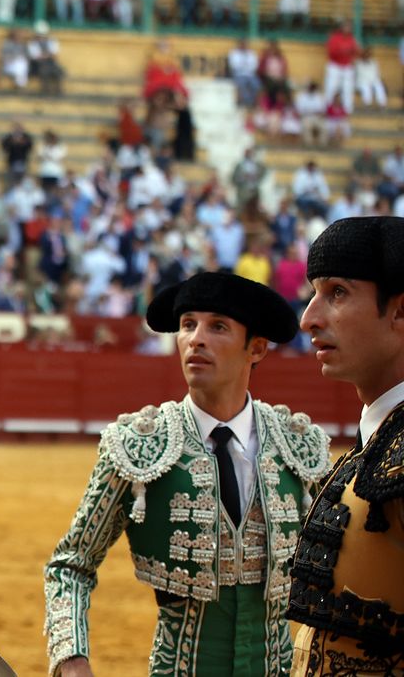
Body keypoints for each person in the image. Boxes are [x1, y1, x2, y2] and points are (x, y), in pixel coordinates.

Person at [44, 271, 332, 677]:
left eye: (218, 327)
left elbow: (342, 565)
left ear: (257, 348)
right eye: (187, 325)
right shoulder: (139, 445)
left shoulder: (298, 445)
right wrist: (71, 658)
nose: (196, 338)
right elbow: (71, 564)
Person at [287, 216, 404, 675]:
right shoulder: (380, 434)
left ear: (398, 311)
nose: (309, 317)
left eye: (337, 293)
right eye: (314, 292)